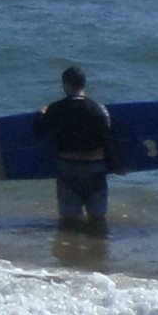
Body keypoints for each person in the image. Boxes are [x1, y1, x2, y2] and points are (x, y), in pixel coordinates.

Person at [35, 65, 115, 234]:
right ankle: (97, 252)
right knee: (98, 218)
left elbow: (39, 134)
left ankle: (69, 254)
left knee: (69, 220)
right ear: (83, 84)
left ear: (65, 84)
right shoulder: (99, 110)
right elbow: (108, 141)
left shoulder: (56, 109)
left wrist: (40, 115)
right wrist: (117, 165)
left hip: (68, 166)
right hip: (95, 167)